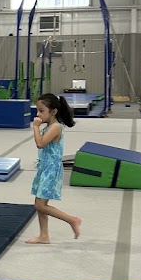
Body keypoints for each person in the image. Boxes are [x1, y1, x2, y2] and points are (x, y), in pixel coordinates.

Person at [25, 92, 82, 244]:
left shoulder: (56, 127)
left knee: (40, 205)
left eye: (41, 111)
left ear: (53, 111)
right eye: (37, 110)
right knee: (40, 204)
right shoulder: (49, 126)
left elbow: (40, 143)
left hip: (51, 171)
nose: (38, 114)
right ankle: (44, 235)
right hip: (44, 168)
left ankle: (72, 220)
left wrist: (35, 127)